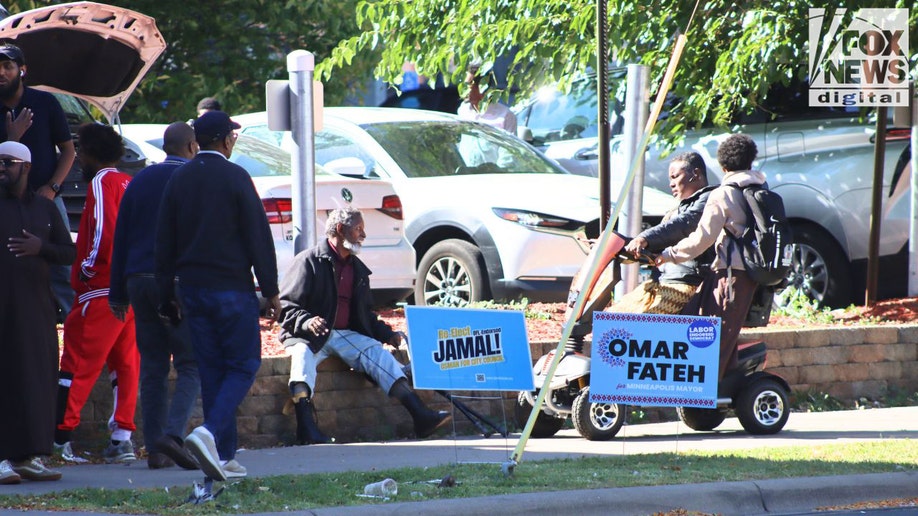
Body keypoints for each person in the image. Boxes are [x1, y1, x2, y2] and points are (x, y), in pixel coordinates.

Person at [155, 110, 281, 482]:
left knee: (212, 371)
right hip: (232, 287)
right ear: (225, 140)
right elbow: (258, 236)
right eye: (233, 137)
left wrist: (167, 294)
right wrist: (271, 290)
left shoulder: (179, 179)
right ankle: (210, 434)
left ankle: (224, 457)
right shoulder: (237, 177)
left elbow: (164, 243)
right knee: (243, 365)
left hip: (191, 289)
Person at [278, 206, 450, 445]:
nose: (363, 235)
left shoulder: (357, 269)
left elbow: (365, 316)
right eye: (358, 229)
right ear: (340, 229)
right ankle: (306, 429)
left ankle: (421, 416)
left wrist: (388, 334)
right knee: (301, 360)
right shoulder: (308, 261)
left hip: (346, 335)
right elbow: (284, 306)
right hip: (308, 336)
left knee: (377, 354)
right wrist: (307, 321)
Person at [109, 122, 201, 471]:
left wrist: (118, 292)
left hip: (138, 280)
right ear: (192, 147)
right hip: (177, 280)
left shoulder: (140, 180)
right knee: (191, 363)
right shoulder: (194, 180)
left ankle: (155, 449)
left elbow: (122, 236)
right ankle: (172, 436)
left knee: (153, 365)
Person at [54, 123, 139, 464]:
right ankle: (122, 438)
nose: (78, 160)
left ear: (90, 152)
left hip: (100, 290)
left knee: (76, 365)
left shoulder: (103, 181)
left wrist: (87, 268)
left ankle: (59, 437)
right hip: (127, 291)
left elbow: (104, 229)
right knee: (126, 365)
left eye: (80, 151)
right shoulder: (127, 181)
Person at [655, 134, 765, 380]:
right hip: (745, 271)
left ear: (723, 166)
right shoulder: (758, 188)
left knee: (715, 335)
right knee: (708, 327)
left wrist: (668, 255)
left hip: (731, 274)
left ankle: (710, 392)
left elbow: (701, 239)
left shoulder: (724, 194)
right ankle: (714, 392)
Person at [0, 141, 73, 484]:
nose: (1, 167)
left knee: (36, 378)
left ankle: (28, 455)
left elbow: (68, 253)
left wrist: (40, 247)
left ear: (26, 167)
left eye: (8, 162)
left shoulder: (44, 210)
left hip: (35, 309)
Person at [0, 43, 76, 322]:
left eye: (7, 66)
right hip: (5, 201)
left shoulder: (45, 103)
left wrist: (52, 187)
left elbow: (68, 150)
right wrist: (12, 138)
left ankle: (71, 338)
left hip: (46, 199)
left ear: (22, 70)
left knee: (63, 271)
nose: (2, 73)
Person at [617, 151, 716, 314]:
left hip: (686, 283)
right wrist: (622, 244)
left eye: (675, 176)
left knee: (642, 322)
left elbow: (683, 224)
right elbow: (661, 241)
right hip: (660, 282)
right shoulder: (676, 209)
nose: (671, 183)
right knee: (613, 317)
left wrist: (644, 237)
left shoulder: (709, 200)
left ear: (696, 174)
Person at [456, 64, 517, 134]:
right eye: (463, 85)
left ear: (481, 87)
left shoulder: (506, 115)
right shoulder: (463, 110)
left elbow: (509, 144)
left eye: (468, 85)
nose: (463, 90)